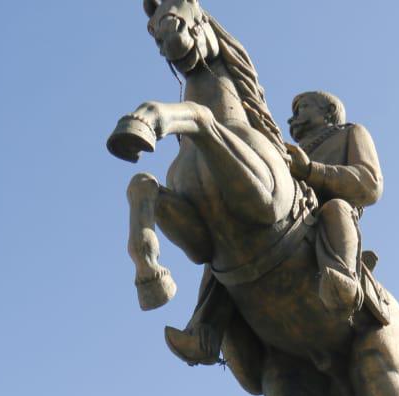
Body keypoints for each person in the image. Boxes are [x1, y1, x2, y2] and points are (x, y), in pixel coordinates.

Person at [165, 89, 385, 367]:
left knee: (336, 210)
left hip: (326, 214)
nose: (295, 115)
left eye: (303, 107)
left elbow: (370, 184)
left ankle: (342, 284)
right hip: (290, 215)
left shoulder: (350, 133)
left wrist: (311, 170)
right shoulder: (283, 148)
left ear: (328, 112)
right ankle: (203, 330)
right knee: (228, 244)